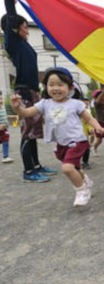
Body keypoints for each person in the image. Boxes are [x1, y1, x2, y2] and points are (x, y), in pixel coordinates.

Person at [11, 67, 104, 206]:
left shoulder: (76, 104)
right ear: (46, 87)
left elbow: (89, 118)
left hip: (77, 141)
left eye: (60, 84)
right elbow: (26, 113)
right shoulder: (45, 103)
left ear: (70, 87)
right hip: (61, 144)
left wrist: (98, 127)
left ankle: (81, 191)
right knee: (75, 168)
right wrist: (17, 107)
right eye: (51, 84)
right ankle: (84, 180)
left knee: (67, 168)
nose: (55, 88)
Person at [2, 0, 57, 181]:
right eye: (25, 27)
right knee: (27, 131)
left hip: (32, 90)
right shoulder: (14, 43)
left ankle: (36, 165)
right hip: (24, 90)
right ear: (16, 29)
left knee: (33, 131)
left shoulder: (25, 45)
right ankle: (28, 171)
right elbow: (10, 16)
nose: (27, 30)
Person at [0, 92, 14, 163]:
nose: (1, 100)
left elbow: (5, 116)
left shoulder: (2, 107)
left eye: (1, 98)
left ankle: (5, 156)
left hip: (4, 129)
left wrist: (11, 117)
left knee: (5, 140)